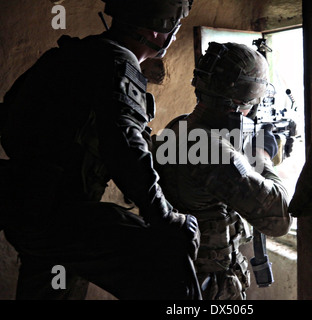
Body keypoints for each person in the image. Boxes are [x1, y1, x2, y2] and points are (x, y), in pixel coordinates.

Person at [0, 0, 202, 300]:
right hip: (60, 215)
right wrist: (166, 216)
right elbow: (125, 148)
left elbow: (11, 119)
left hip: (22, 205)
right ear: (160, 29)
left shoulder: (68, 55)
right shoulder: (118, 63)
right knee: (172, 262)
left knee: (52, 287)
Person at [152, 42, 292, 300]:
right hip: (205, 285)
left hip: (176, 273)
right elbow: (278, 218)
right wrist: (263, 158)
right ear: (242, 99)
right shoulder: (209, 149)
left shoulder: (180, 126)